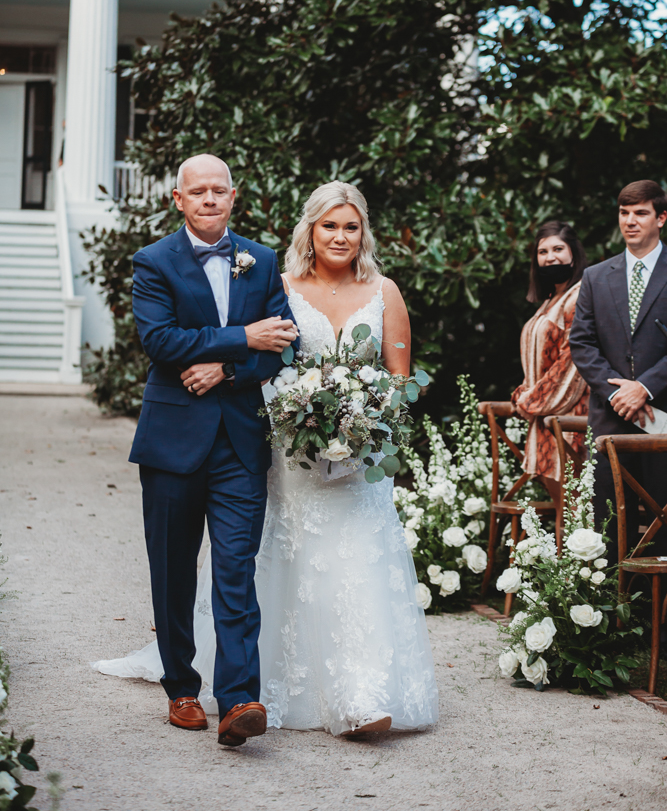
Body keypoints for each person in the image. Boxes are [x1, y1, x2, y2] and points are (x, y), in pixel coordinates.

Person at [94, 180, 439, 739]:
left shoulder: (373, 289)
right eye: (330, 225)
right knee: (244, 567)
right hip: (290, 455)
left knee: (332, 570)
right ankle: (190, 682)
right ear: (311, 229)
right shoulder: (273, 279)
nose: (341, 236)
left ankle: (343, 694)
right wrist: (239, 360)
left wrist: (364, 424)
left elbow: (400, 382)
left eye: (351, 226)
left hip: (349, 461)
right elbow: (210, 346)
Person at [123, 153, 299, 747]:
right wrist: (242, 338)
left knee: (234, 571)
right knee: (173, 571)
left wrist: (226, 369)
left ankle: (239, 698)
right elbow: (160, 339)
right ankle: (180, 687)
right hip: (172, 442)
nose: (208, 199)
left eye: (218, 190)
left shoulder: (262, 259)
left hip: (240, 443)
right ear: (178, 199)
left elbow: (283, 347)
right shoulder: (153, 263)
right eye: (196, 191)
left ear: (232, 196)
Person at [569, 179, 667, 560]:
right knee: (609, 524)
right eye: (624, 213)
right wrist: (615, 392)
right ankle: (613, 614)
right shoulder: (596, 276)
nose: (630, 221)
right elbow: (582, 342)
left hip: (662, 416)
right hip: (610, 417)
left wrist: (643, 387)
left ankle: (658, 617)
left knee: (663, 517)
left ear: (661, 217)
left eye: (640, 213)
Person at [511, 221, 589, 482]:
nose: (550, 257)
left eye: (558, 248)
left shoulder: (580, 296)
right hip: (544, 418)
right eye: (542, 252)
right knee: (562, 515)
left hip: (568, 418)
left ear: (573, 253)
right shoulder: (549, 301)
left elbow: (572, 361)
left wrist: (530, 401)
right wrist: (528, 394)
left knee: (575, 511)